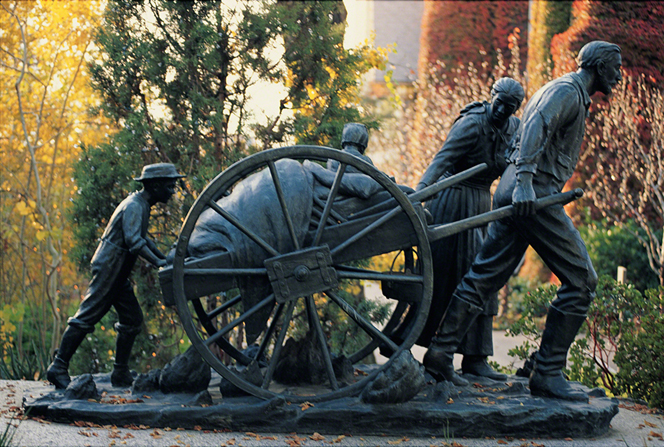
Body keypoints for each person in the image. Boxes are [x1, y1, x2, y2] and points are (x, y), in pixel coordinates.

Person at [422, 41, 622, 401]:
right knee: (582, 280)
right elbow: (538, 125)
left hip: (519, 190)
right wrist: (527, 181)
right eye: (615, 68)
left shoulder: (569, 90)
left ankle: (439, 353)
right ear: (598, 66)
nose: (619, 76)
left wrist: (521, 183)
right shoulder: (566, 91)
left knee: (484, 275)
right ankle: (547, 372)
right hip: (533, 193)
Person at [415, 78, 524, 383]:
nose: (503, 109)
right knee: (457, 275)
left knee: (481, 277)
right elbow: (442, 160)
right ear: (492, 96)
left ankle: (476, 357)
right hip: (453, 200)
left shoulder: (514, 128)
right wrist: (420, 193)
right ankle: (441, 356)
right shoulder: (472, 124)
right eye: (499, 102)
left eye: (510, 106)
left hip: (482, 203)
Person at [46, 163, 184, 389]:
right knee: (86, 316)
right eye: (169, 186)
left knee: (132, 319)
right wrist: (158, 262)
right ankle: (58, 366)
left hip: (117, 270)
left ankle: (119, 372)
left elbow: (143, 239)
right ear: (155, 185)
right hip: (110, 267)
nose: (172, 191)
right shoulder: (134, 206)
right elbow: (134, 241)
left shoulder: (142, 204)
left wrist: (164, 259)